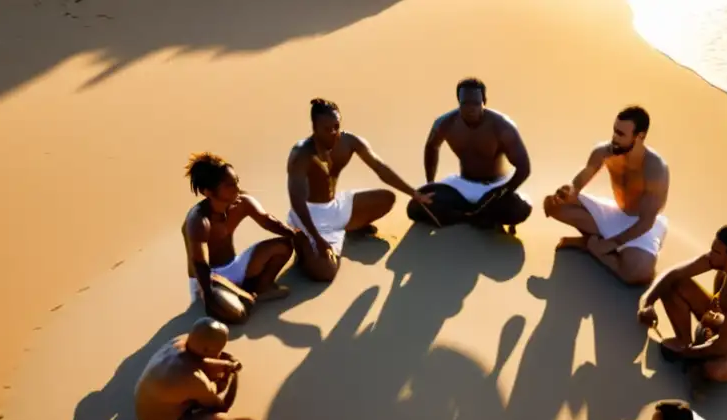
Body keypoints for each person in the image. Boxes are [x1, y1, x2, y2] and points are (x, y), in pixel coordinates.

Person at [286, 98, 432, 283]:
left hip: (335, 207)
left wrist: (414, 193)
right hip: (309, 216)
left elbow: (380, 168)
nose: (333, 133)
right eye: (326, 129)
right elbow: (296, 201)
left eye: (336, 126)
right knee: (326, 274)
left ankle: (344, 230)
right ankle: (303, 243)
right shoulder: (301, 154)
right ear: (314, 127)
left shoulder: (349, 141)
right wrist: (317, 238)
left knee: (386, 199)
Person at [542, 106, 669, 286]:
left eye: (621, 134)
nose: (614, 138)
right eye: (614, 131)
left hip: (641, 225)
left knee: (638, 273)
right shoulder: (604, 151)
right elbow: (581, 180)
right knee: (552, 205)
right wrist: (569, 192)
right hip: (614, 213)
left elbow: (647, 221)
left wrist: (612, 243)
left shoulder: (655, 168)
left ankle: (592, 246)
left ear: (639, 136)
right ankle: (596, 244)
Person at [638, 225, 727, 382]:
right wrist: (647, 304)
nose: (710, 255)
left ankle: (695, 358)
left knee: (714, 369)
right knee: (674, 284)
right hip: (718, 316)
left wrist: (686, 353)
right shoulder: (719, 261)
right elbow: (672, 274)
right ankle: (684, 339)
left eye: (716, 252)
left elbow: (724, 345)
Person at [407, 77, 532, 234]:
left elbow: (524, 167)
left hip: (496, 186)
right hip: (462, 185)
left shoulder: (502, 126)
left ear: (484, 101)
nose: (470, 108)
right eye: (465, 103)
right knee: (416, 206)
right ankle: (472, 217)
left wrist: (503, 192)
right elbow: (432, 147)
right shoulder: (445, 123)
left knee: (518, 211)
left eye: (475, 103)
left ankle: (475, 213)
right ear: (459, 102)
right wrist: (430, 183)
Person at [182, 152, 295, 324]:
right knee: (239, 315)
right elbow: (201, 264)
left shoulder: (241, 202)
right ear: (209, 192)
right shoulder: (198, 220)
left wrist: (296, 235)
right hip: (208, 279)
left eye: (236, 181)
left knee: (284, 245)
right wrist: (209, 297)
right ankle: (241, 297)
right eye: (229, 185)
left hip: (234, 266)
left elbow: (267, 220)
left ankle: (259, 290)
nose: (237, 187)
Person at [133, 317, 241, 420]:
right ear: (207, 350)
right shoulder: (194, 379)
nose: (220, 353)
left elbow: (197, 362)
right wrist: (231, 376)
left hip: (147, 410)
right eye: (220, 349)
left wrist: (225, 365)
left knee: (207, 378)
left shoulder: (177, 343)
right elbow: (221, 406)